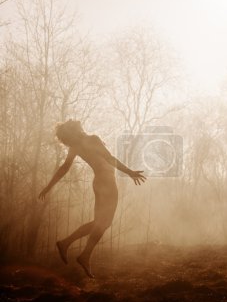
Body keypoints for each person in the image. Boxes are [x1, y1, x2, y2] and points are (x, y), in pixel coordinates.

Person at [38, 119, 146, 278]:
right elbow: (109, 158)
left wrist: (49, 186)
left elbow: (64, 168)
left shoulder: (76, 147)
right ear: (77, 129)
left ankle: (68, 245)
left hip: (99, 183)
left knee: (99, 223)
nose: (81, 125)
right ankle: (82, 253)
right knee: (104, 223)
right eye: (78, 125)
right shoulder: (92, 139)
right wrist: (129, 172)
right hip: (107, 183)